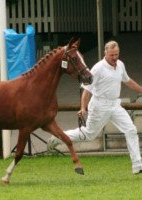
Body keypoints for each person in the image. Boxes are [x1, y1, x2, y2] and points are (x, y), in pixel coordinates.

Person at [47, 40, 142, 174]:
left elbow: (128, 81)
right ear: (105, 53)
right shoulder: (98, 68)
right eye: (112, 55)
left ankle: (137, 166)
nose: (115, 58)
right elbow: (86, 90)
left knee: (131, 130)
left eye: (116, 54)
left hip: (115, 104)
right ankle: (58, 137)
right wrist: (83, 108)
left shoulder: (120, 65)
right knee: (89, 135)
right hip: (99, 106)